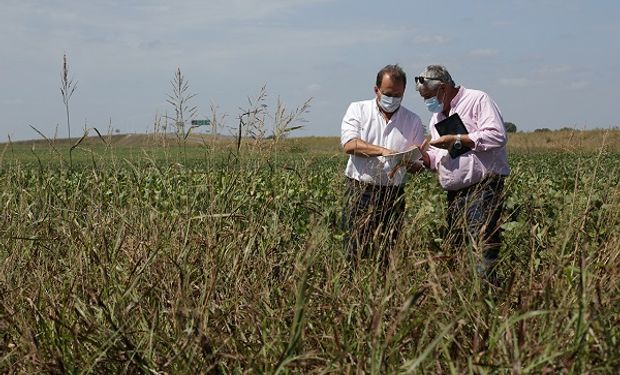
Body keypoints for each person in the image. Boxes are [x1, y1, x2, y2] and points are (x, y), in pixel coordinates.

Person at [415, 65, 510, 279]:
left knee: (481, 247)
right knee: (459, 249)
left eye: (429, 96)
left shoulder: (477, 100)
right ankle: (469, 294)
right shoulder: (437, 118)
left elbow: (497, 135)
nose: (427, 102)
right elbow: (440, 157)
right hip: (455, 194)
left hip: (482, 189)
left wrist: (458, 140)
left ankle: (488, 294)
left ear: (443, 88)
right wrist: (423, 161)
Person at [341, 64, 426, 266]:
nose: (392, 99)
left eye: (398, 95)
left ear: (404, 92)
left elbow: (419, 158)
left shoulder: (413, 120)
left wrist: (416, 165)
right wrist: (382, 151)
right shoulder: (358, 109)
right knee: (354, 248)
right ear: (376, 90)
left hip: (393, 194)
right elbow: (349, 144)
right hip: (360, 190)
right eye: (387, 93)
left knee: (388, 251)